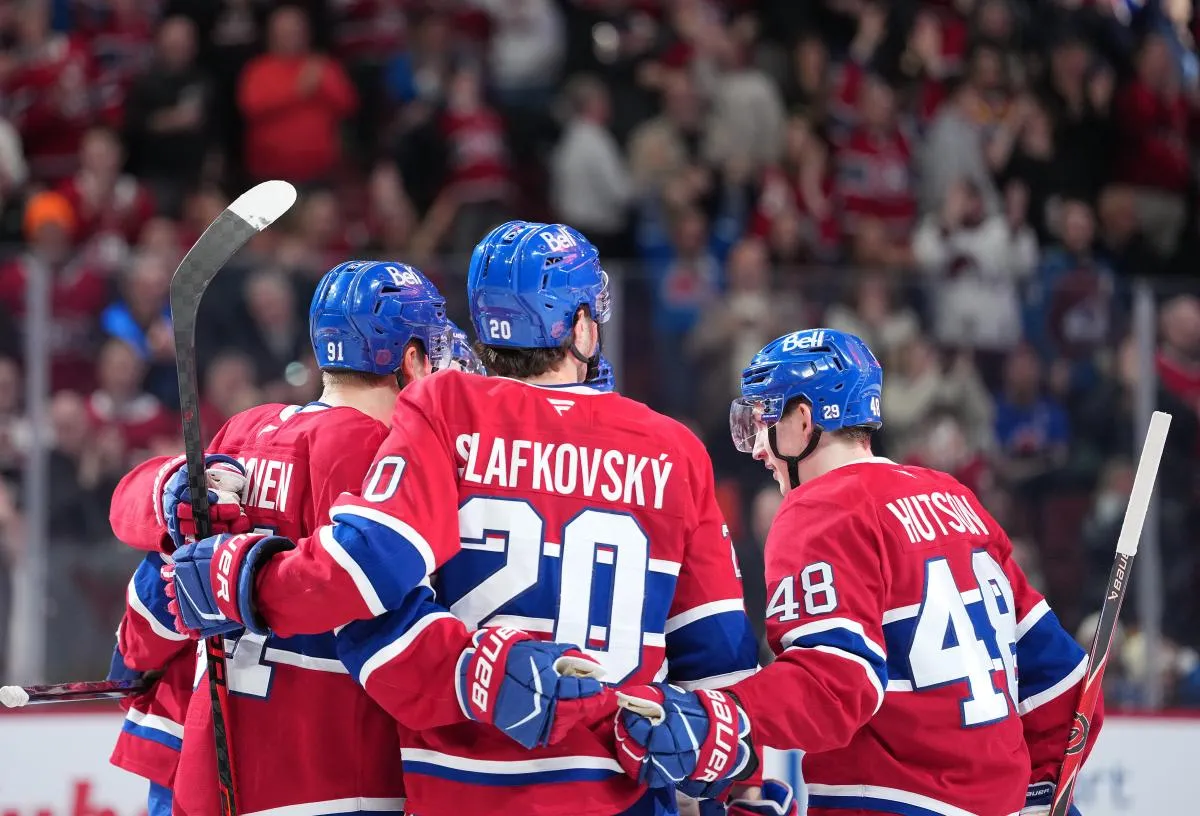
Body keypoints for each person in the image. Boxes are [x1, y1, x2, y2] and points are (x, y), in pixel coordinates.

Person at [164, 221, 761, 816]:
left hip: (463, 790)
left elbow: (365, 588)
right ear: (579, 325)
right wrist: (743, 790)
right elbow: (719, 661)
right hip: (620, 794)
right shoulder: (673, 447)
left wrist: (246, 581)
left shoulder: (445, 406)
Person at [614, 328, 1103, 816]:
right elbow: (1062, 680)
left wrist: (718, 716)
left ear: (804, 420)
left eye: (764, 417)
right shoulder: (955, 499)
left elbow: (834, 684)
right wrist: (1042, 792)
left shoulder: (822, 510)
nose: (758, 446)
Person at [106, 260, 454, 816]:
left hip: (219, 753)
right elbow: (374, 612)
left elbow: (146, 522)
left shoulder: (250, 426)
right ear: (411, 359)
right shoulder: (375, 450)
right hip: (328, 763)